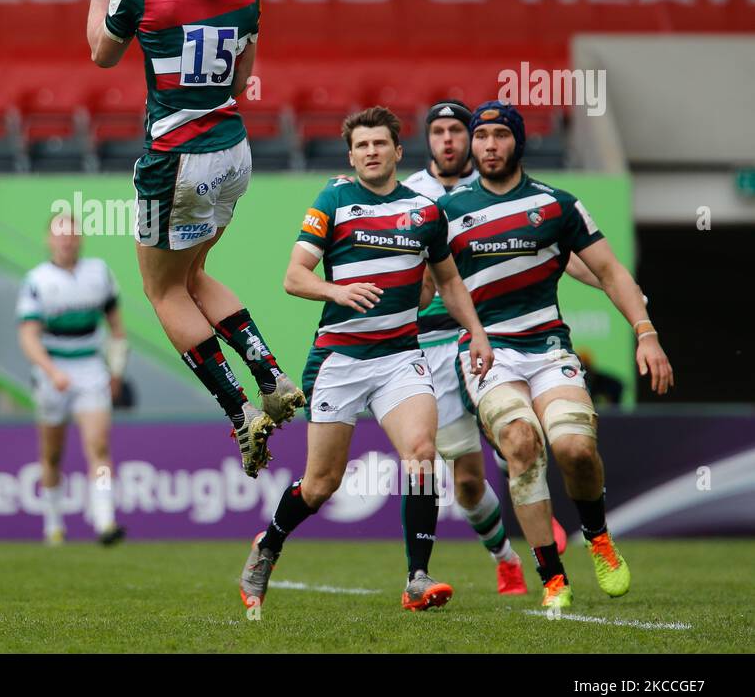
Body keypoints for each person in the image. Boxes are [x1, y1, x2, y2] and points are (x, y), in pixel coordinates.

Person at [85, 0, 303, 478]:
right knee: (196, 271)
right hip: (233, 150)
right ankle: (270, 374)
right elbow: (238, 80)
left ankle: (240, 410)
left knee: (162, 289)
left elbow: (100, 52)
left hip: (174, 156)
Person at [239, 107, 494, 611]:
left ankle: (417, 579)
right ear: (351, 155)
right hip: (341, 359)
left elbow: (448, 282)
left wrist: (478, 333)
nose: (371, 152)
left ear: (398, 152)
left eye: (381, 144)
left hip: (401, 357)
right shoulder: (334, 199)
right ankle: (268, 544)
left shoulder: (425, 212)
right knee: (320, 485)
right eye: (362, 146)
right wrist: (338, 289)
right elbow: (294, 276)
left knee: (421, 452)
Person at [440, 102, 674, 610]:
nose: (489, 146)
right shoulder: (448, 211)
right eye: (482, 137)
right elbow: (427, 286)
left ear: (518, 143)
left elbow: (611, 271)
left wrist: (646, 332)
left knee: (574, 450)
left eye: (501, 136)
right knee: (521, 443)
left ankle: (598, 537)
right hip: (487, 353)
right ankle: (551, 577)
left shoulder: (557, 205)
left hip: (548, 349)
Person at [407, 100, 593, 592]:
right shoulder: (412, 197)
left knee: (520, 442)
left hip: (488, 339)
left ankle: (548, 539)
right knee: (467, 479)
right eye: (439, 131)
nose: (448, 140)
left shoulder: (493, 191)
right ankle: (504, 555)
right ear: (428, 140)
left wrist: (614, 285)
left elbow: (560, 251)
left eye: (455, 131)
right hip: (431, 346)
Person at [17, 214, 128, 545]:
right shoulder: (37, 280)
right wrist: (51, 372)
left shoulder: (99, 273)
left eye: (71, 234)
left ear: (79, 238)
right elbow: (28, 336)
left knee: (99, 445)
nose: (67, 241)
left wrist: (116, 370)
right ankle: (53, 522)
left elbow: (117, 328)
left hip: (91, 368)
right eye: (59, 235)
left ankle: (106, 522)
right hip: (53, 372)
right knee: (52, 454)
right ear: (49, 240)